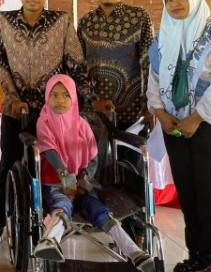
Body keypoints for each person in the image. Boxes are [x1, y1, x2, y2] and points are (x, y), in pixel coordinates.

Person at [0, 0, 94, 253]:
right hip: (16, 110)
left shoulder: (61, 21)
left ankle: (52, 220)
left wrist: (81, 103)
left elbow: (75, 63)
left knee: (52, 165)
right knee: (9, 166)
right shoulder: (3, 21)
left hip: (53, 112)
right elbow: (0, 63)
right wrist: (12, 98)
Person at [147, 0, 211, 272]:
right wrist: (160, 114)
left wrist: (196, 118)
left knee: (209, 195)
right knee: (188, 194)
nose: (175, 3)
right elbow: (154, 80)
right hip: (173, 122)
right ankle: (195, 257)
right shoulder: (164, 35)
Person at [33, 74, 154, 272]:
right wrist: (66, 177)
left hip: (83, 184)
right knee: (62, 204)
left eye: (65, 95)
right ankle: (49, 241)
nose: (60, 100)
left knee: (98, 209)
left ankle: (134, 252)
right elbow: (49, 150)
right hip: (55, 183)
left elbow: (93, 157)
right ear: (47, 97)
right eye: (54, 95)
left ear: (73, 98)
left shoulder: (81, 124)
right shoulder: (44, 121)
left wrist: (83, 180)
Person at [78, 0, 154, 129]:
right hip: (94, 111)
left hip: (133, 111)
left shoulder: (139, 17)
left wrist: (151, 105)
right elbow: (79, 67)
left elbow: (149, 64)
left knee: (131, 147)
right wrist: (91, 100)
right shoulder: (86, 22)